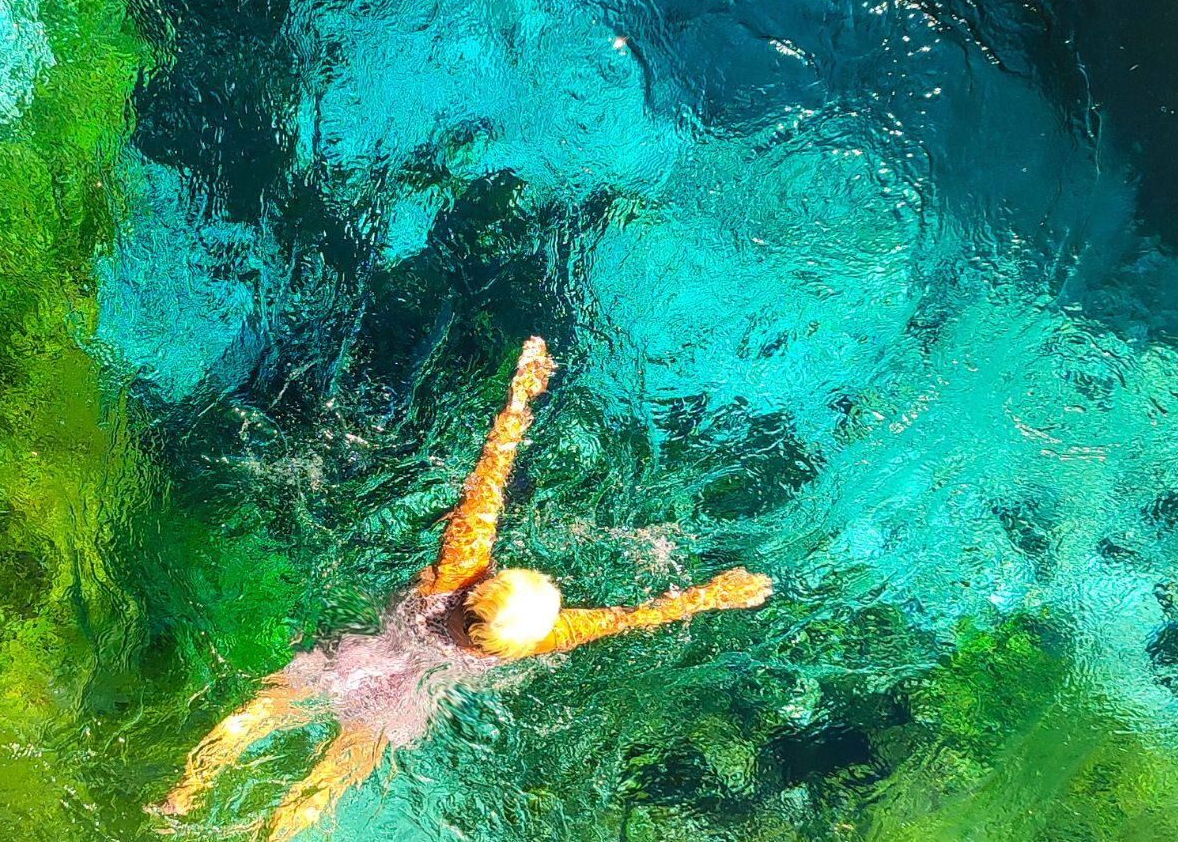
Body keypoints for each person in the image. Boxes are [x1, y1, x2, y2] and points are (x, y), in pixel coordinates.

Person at [156, 337, 772, 839]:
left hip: (360, 654)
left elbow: (488, 485)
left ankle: (185, 795)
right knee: (331, 780)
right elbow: (631, 617)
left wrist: (520, 398)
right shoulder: (534, 642)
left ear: (489, 586)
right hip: (404, 704)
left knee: (255, 717)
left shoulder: (457, 577)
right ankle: (278, 833)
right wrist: (710, 594)